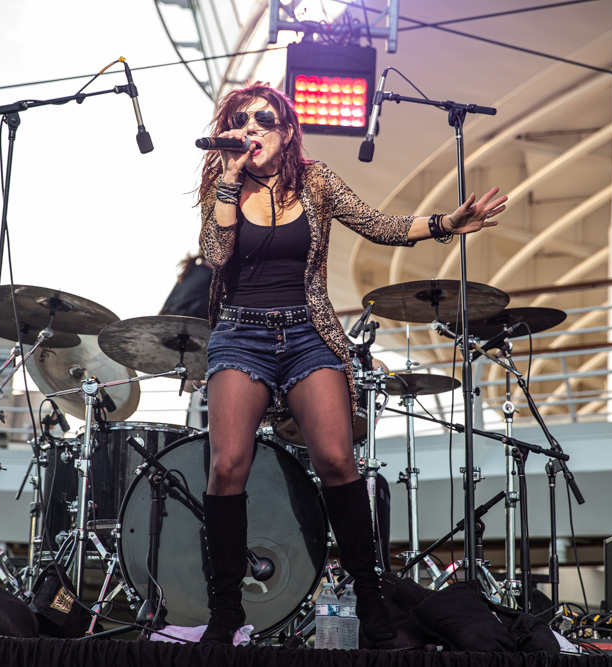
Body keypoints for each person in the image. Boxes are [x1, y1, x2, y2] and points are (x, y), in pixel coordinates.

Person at [196, 82, 507, 646]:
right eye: (240, 120)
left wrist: (446, 223)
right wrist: (228, 179)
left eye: (263, 119)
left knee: (338, 459)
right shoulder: (224, 184)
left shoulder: (315, 181)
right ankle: (226, 611)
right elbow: (215, 256)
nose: (250, 129)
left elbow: (378, 225)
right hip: (241, 333)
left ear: (287, 130)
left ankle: (371, 602)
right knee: (227, 466)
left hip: (308, 332)